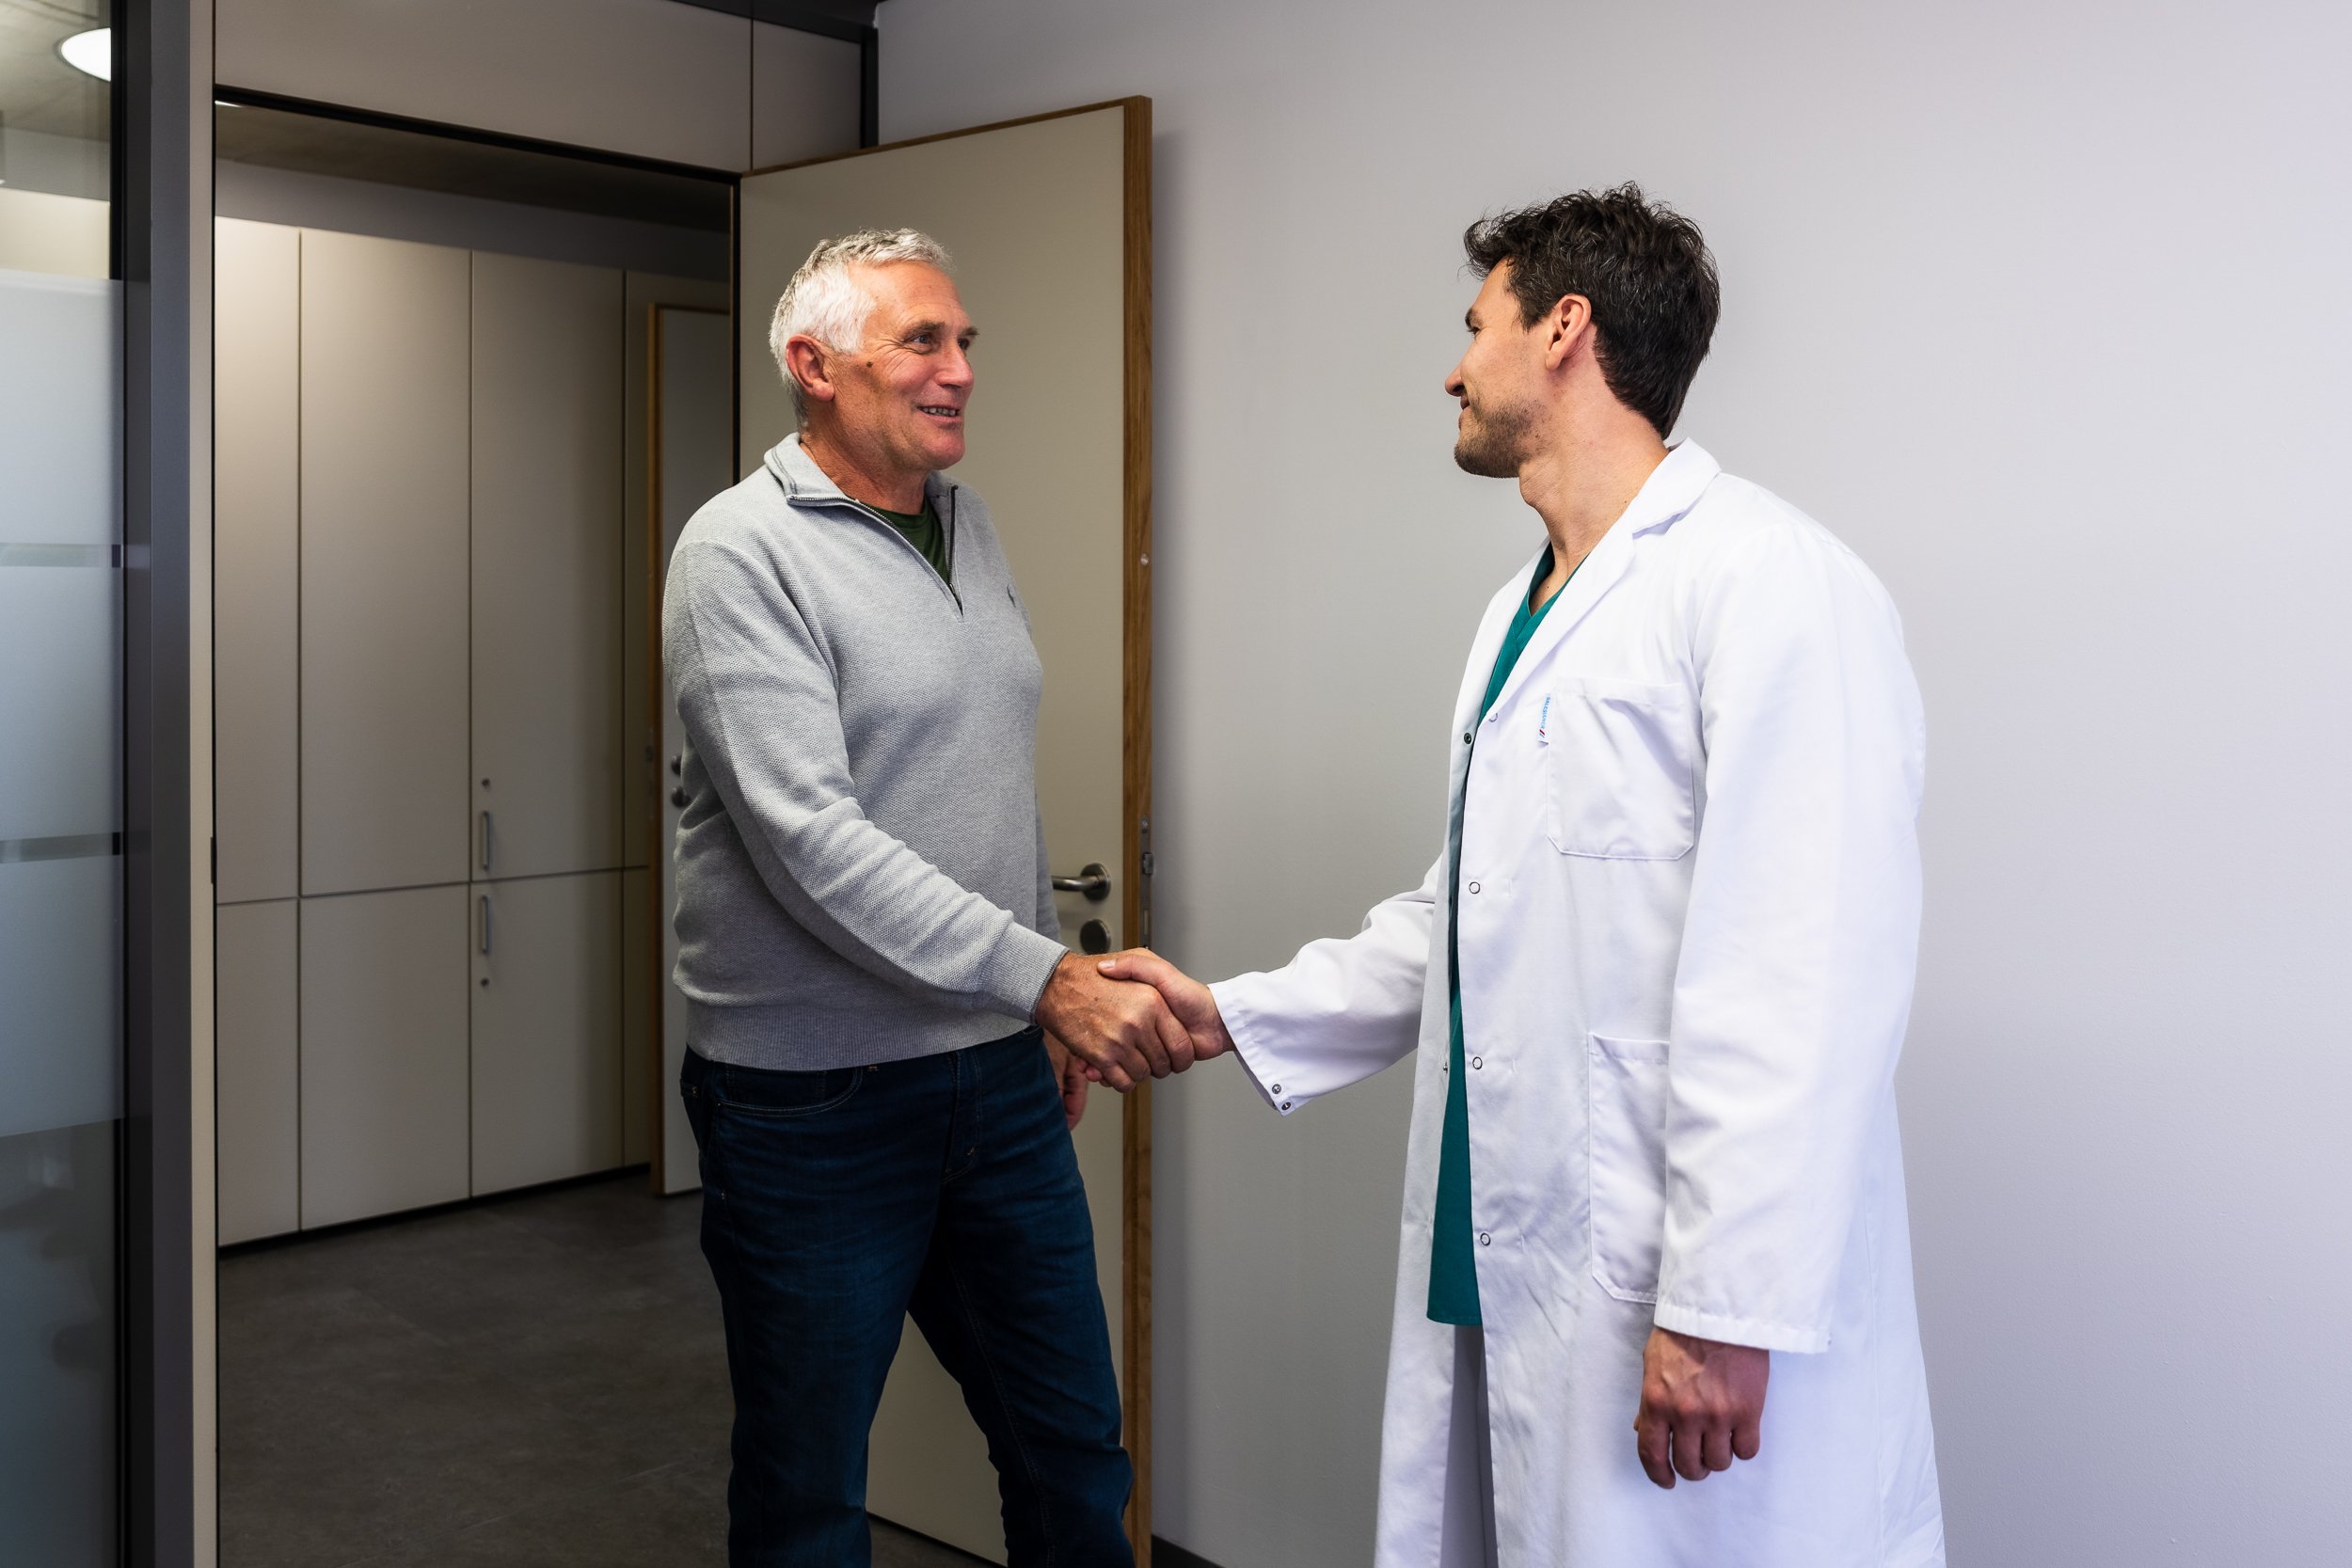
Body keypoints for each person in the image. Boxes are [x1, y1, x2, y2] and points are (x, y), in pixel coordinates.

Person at [1104, 186, 1945, 1566]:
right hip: (1515, 1248)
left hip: (1668, 1278)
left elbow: (1808, 970)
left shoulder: (1774, 584)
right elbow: (1466, 915)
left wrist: (1728, 1305)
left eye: (1475, 325)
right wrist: (1229, 1011)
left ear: (1564, 329)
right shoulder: (1524, 608)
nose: (1453, 365)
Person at [663, 228, 1189, 1567]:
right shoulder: (739, 555)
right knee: (808, 1494)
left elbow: (979, 786)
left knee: (1074, 1453)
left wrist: (1030, 1009)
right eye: (923, 342)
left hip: (998, 1078)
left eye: (966, 344)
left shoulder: (967, 523)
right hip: (814, 1106)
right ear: (814, 366)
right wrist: (1043, 978)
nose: (960, 370)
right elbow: (813, 843)